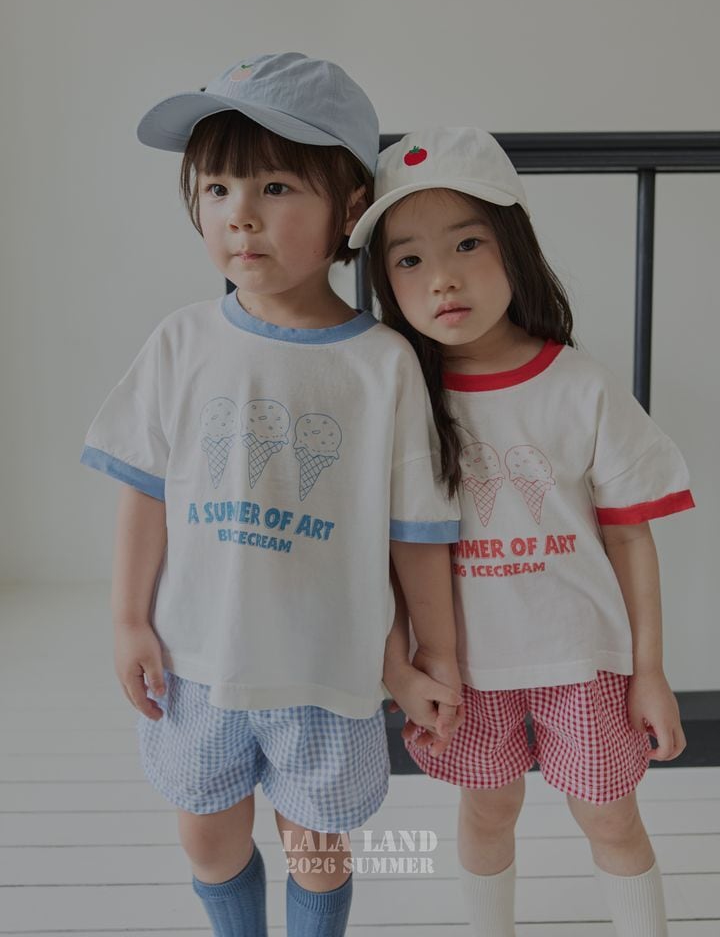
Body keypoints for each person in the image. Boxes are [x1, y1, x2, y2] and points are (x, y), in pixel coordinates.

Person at [80, 56, 463, 937]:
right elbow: (144, 494)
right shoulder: (183, 342)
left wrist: (429, 655)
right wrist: (128, 619)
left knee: (318, 850)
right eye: (217, 189)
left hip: (328, 671)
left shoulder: (381, 366)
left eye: (276, 187)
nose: (239, 215)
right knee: (208, 839)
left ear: (350, 210)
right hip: (195, 664)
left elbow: (414, 530)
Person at [352, 126, 695, 937]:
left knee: (610, 816)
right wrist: (399, 663)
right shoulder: (398, 397)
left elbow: (630, 538)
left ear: (515, 246)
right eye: (409, 259)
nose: (442, 277)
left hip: (585, 661)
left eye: (467, 243)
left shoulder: (581, 387)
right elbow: (384, 557)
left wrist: (649, 671)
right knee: (487, 812)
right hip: (467, 671)